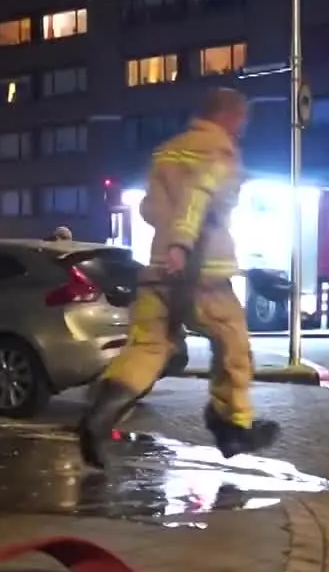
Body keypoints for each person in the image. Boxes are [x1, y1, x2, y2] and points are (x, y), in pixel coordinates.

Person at [76, 87, 278, 469]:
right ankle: (231, 427)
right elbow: (198, 197)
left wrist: (169, 241)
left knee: (148, 348)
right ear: (231, 116)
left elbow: (150, 208)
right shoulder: (220, 151)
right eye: (242, 119)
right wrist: (183, 244)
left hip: (157, 270)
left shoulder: (167, 150)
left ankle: (98, 417)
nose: (244, 127)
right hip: (201, 273)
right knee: (233, 344)